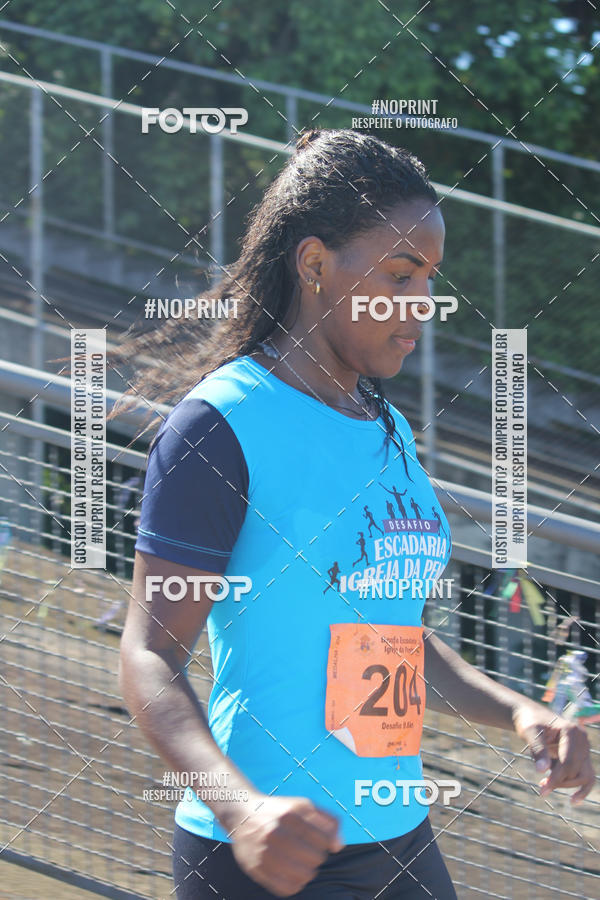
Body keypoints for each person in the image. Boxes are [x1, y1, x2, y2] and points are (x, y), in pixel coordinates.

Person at [116, 128, 595, 899]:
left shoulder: (387, 427)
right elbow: (149, 655)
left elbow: (394, 637)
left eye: (429, 279)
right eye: (400, 276)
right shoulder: (222, 425)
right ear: (314, 265)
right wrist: (243, 813)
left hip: (396, 838)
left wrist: (520, 715)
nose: (423, 305)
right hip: (267, 855)